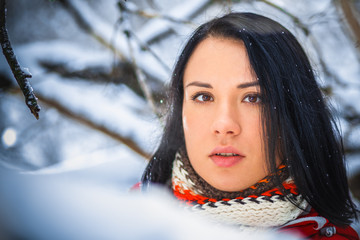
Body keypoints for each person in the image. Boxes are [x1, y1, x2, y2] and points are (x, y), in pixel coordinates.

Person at [139, 12, 359, 239]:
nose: (224, 124)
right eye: (204, 96)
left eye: (253, 98)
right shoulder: (126, 220)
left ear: (295, 113)